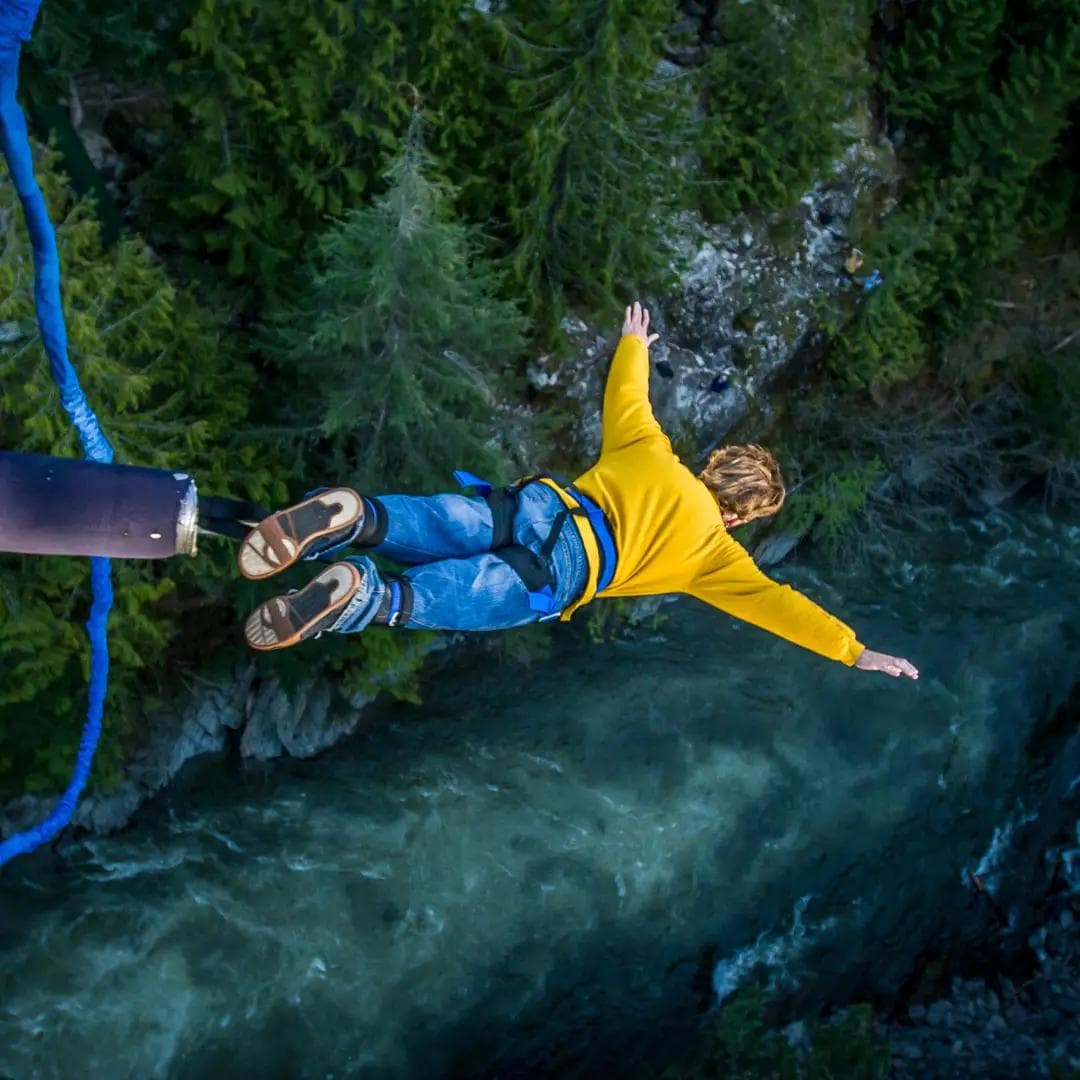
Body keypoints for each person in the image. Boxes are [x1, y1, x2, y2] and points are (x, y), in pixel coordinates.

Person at [238, 302, 918, 680]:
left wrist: (634, 343)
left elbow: (628, 395)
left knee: (444, 521)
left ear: (714, 464)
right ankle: (363, 593)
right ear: (740, 516)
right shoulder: (715, 556)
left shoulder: (651, 450)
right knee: (440, 598)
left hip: (541, 506)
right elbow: (779, 607)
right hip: (566, 571)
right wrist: (854, 650)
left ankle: (357, 515)